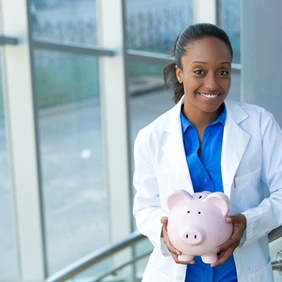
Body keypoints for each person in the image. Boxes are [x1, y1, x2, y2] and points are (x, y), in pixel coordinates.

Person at [133, 23, 282, 282]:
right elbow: (145, 207)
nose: (212, 84)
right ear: (180, 73)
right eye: (199, 71)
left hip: (240, 273)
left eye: (222, 71)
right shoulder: (151, 137)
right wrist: (165, 232)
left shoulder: (260, 124)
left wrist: (248, 223)